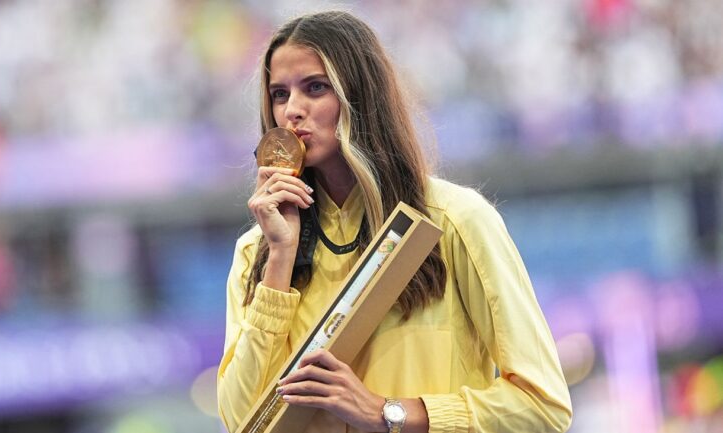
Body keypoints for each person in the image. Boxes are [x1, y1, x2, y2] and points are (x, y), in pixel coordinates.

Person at [217, 10, 572, 433]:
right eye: (279, 94)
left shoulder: (454, 220)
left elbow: (543, 407)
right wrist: (279, 257)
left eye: (315, 87)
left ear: (361, 96)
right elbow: (240, 420)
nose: (292, 110)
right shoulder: (257, 252)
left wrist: (388, 413)